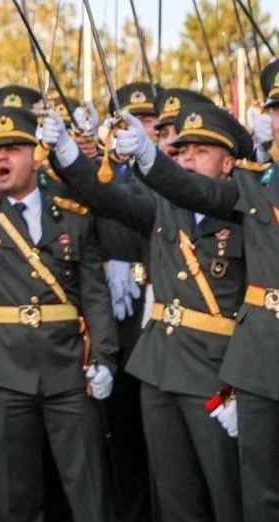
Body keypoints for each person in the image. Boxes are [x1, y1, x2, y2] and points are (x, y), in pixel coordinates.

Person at [42, 102, 247, 522]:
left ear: (229, 163)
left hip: (218, 372)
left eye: (201, 151)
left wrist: (245, 383)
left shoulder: (245, 208)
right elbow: (106, 197)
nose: (187, 158)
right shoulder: (163, 209)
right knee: (172, 495)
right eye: (182, 150)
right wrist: (66, 150)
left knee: (228, 493)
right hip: (159, 367)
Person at [114, 62, 279, 521]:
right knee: (252, 498)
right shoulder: (257, 186)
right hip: (259, 361)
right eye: (277, 108)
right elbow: (194, 190)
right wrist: (147, 156)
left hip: (222, 361)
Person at [0, 105, 117, 521]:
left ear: (37, 154)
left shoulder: (71, 214)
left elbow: (95, 295)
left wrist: (104, 356)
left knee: (90, 491)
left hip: (69, 368)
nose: (1, 158)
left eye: (13, 148)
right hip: (4, 371)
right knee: (14, 496)